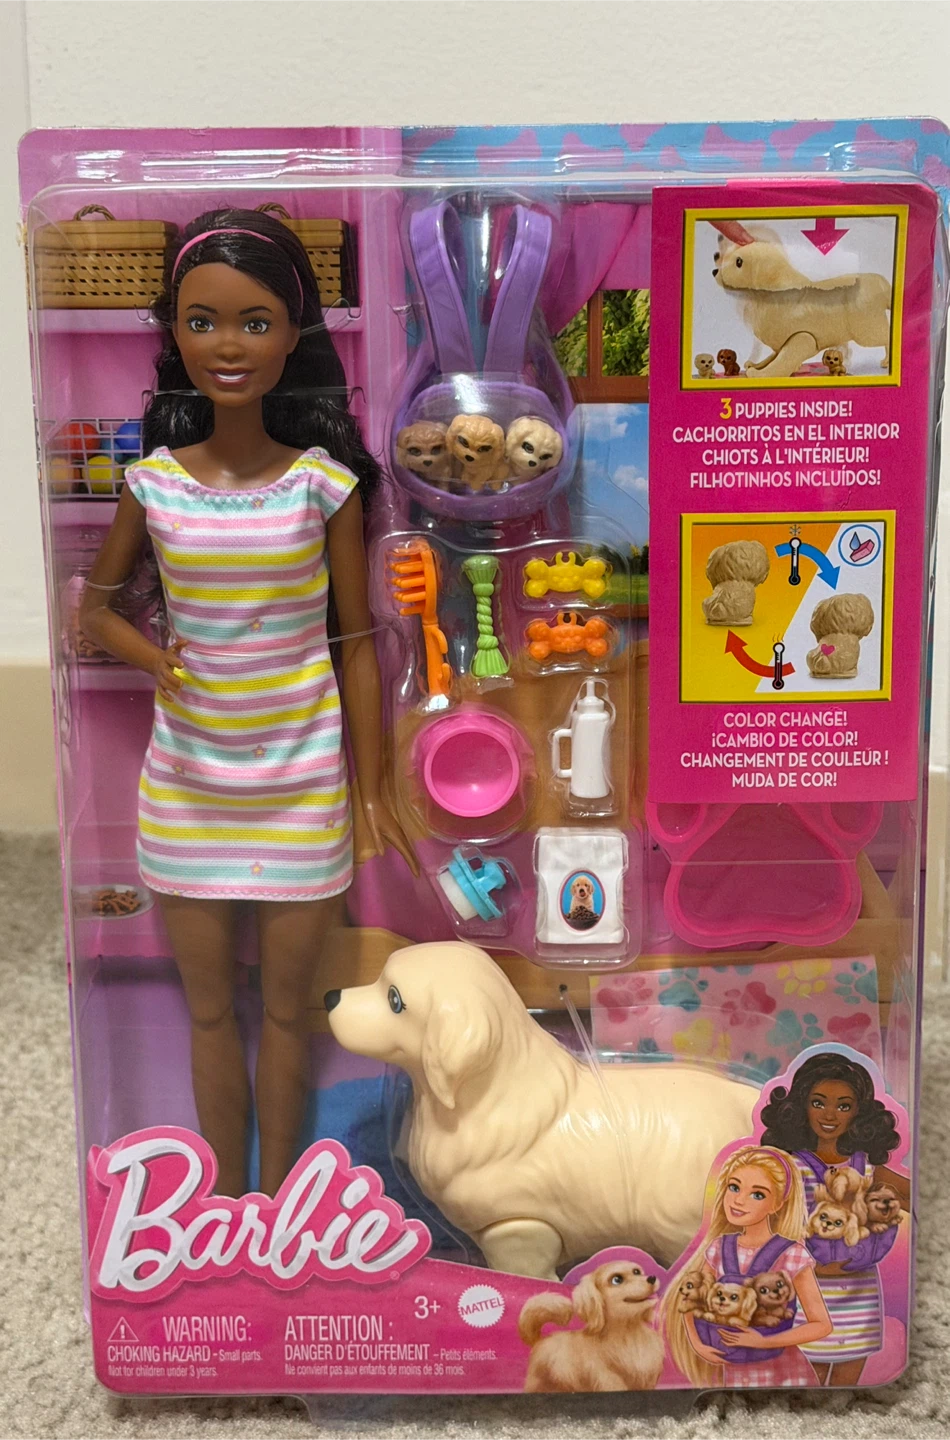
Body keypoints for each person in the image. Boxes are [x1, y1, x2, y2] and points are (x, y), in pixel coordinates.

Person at [79, 208, 414, 1199]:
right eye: (203, 321)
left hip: (301, 787)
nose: (228, 346)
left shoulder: (321, 486)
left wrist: (369, 792)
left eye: (255, 322)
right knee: (210, 1012)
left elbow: (357, 647)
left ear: (292, 334)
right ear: (174, 332)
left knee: (287, 1012)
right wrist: (158, 660)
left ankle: (278, 1210)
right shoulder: (154, 485)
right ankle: (224, 1206)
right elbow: (94, 610)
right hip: (188, 789)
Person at [759, 1051, 909, 1386]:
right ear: (801, 1106)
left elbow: (908, 1194)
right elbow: (770, 1219)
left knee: (847, 1379)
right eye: (818, 1103)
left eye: (844, 1106)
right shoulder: (790, 1166)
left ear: (859, 1112)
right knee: (806, 1374)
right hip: (806, 1291)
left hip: (857, 1291)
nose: (830, 1115)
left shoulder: (865, 1166)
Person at [663, 1145, 832, 1388]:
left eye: (758, 1195)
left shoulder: (792, 1254)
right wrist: (698, 1345)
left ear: (777, 1204)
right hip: (734, 1371)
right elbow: (693, 1300)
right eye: (734, 1187)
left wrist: (764, 1342)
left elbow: (822, 1324)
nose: (739, 1200)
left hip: (784, 1373)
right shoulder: (719, 1248)